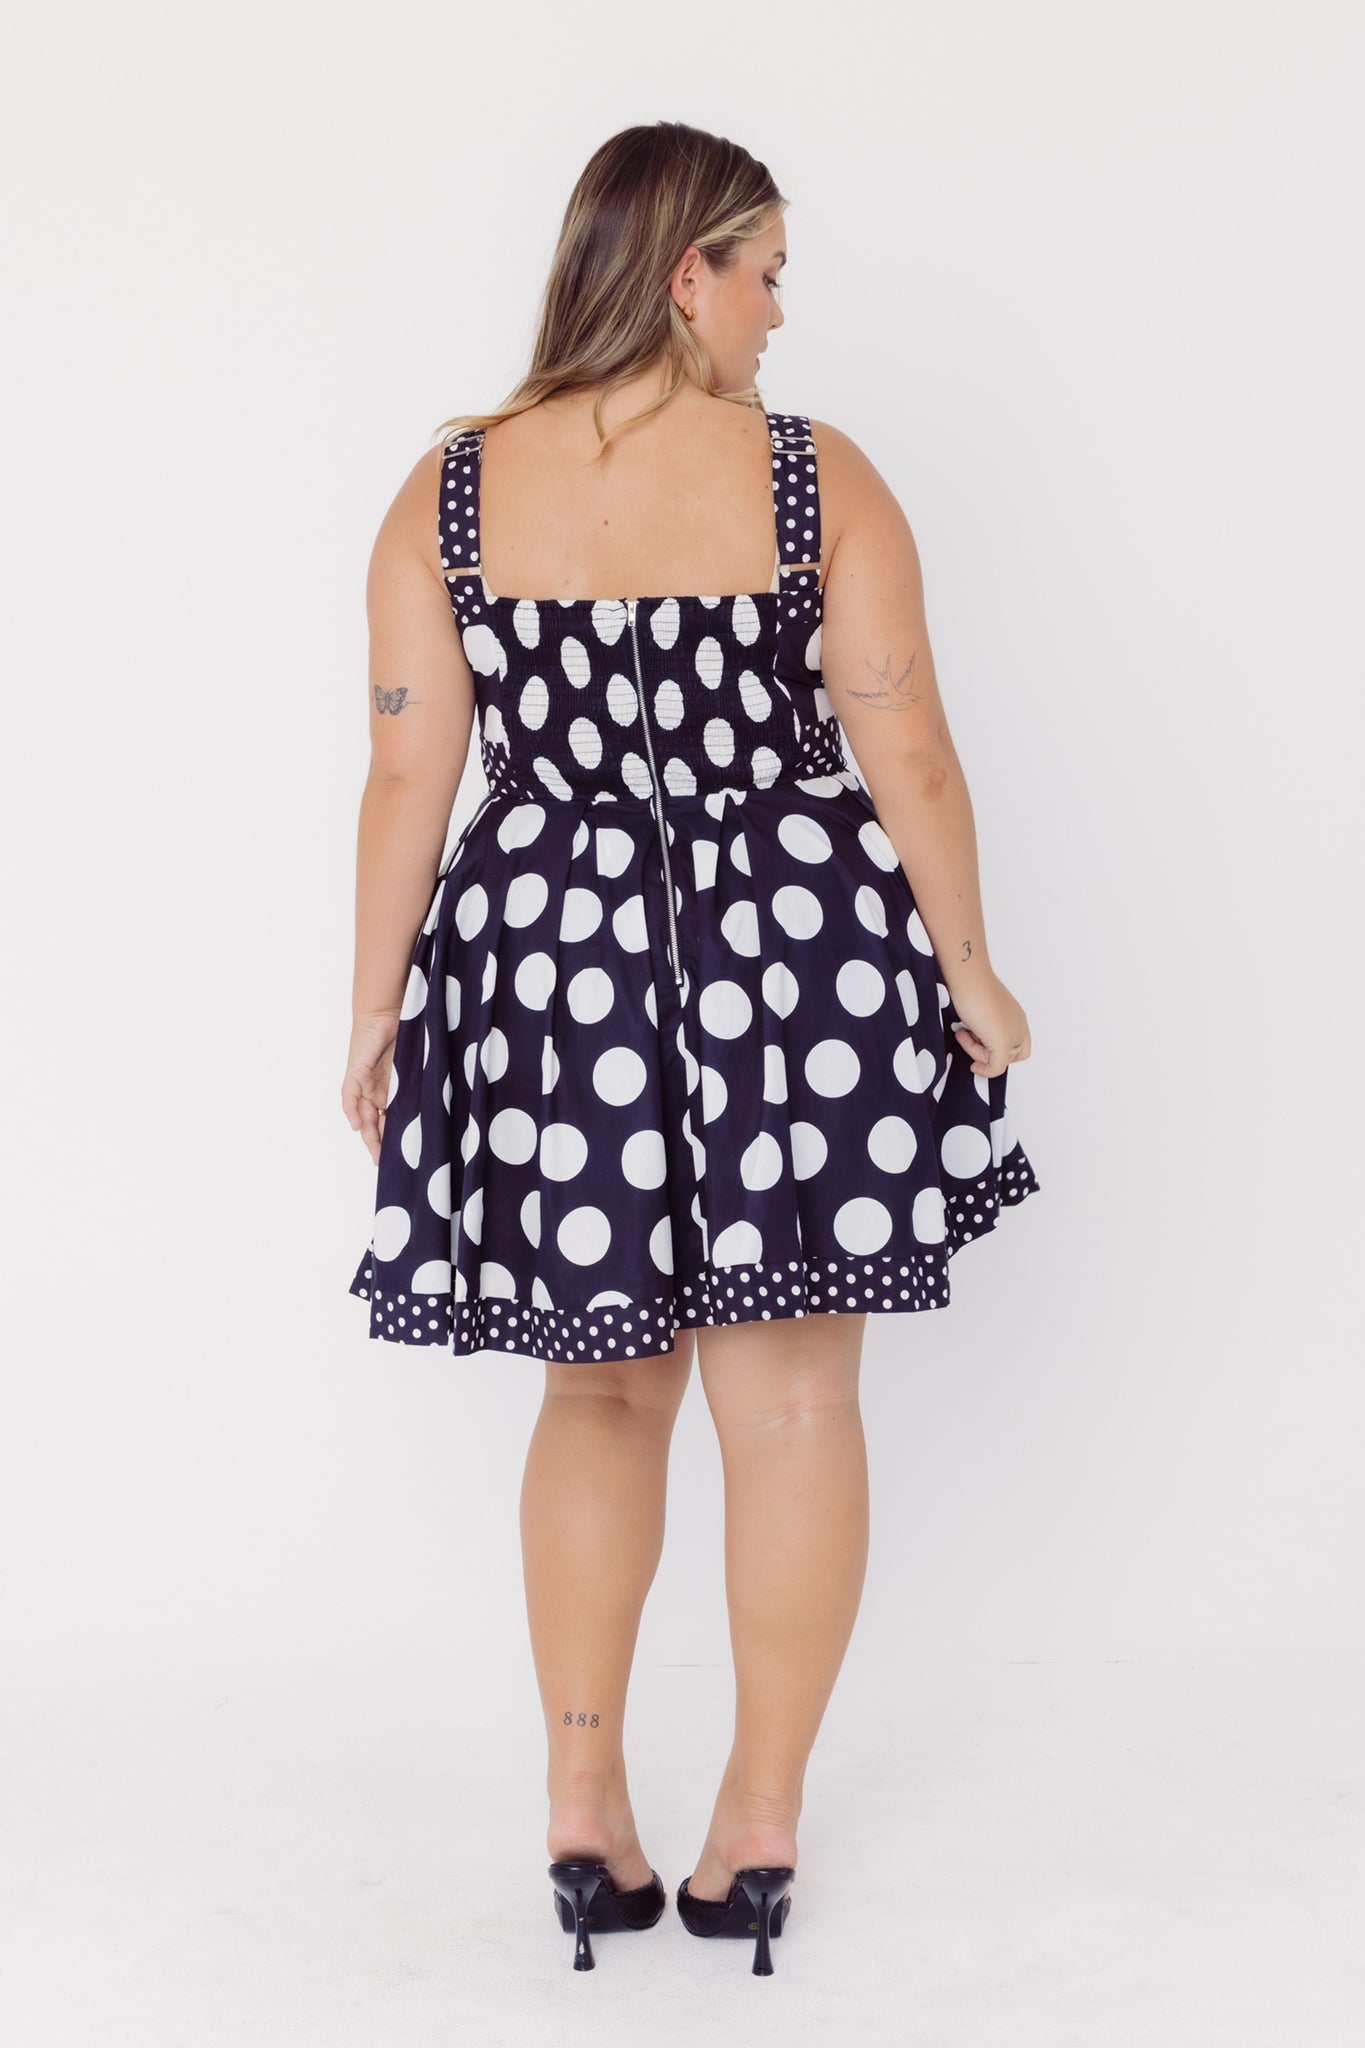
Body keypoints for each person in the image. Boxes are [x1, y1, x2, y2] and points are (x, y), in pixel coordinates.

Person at [341, 120, 1041, 1976]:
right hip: (793, 955)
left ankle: (581, 1811)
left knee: (594, 1398)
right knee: (794, 1406)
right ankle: (758, 1825)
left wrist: (377, 1009)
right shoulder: (811, 479)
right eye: (766, 274)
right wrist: (971, 973)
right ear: (684, 276)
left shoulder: (452, 492)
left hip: (547, 963)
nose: (779, 315)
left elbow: (408, 773)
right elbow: (909, 752)